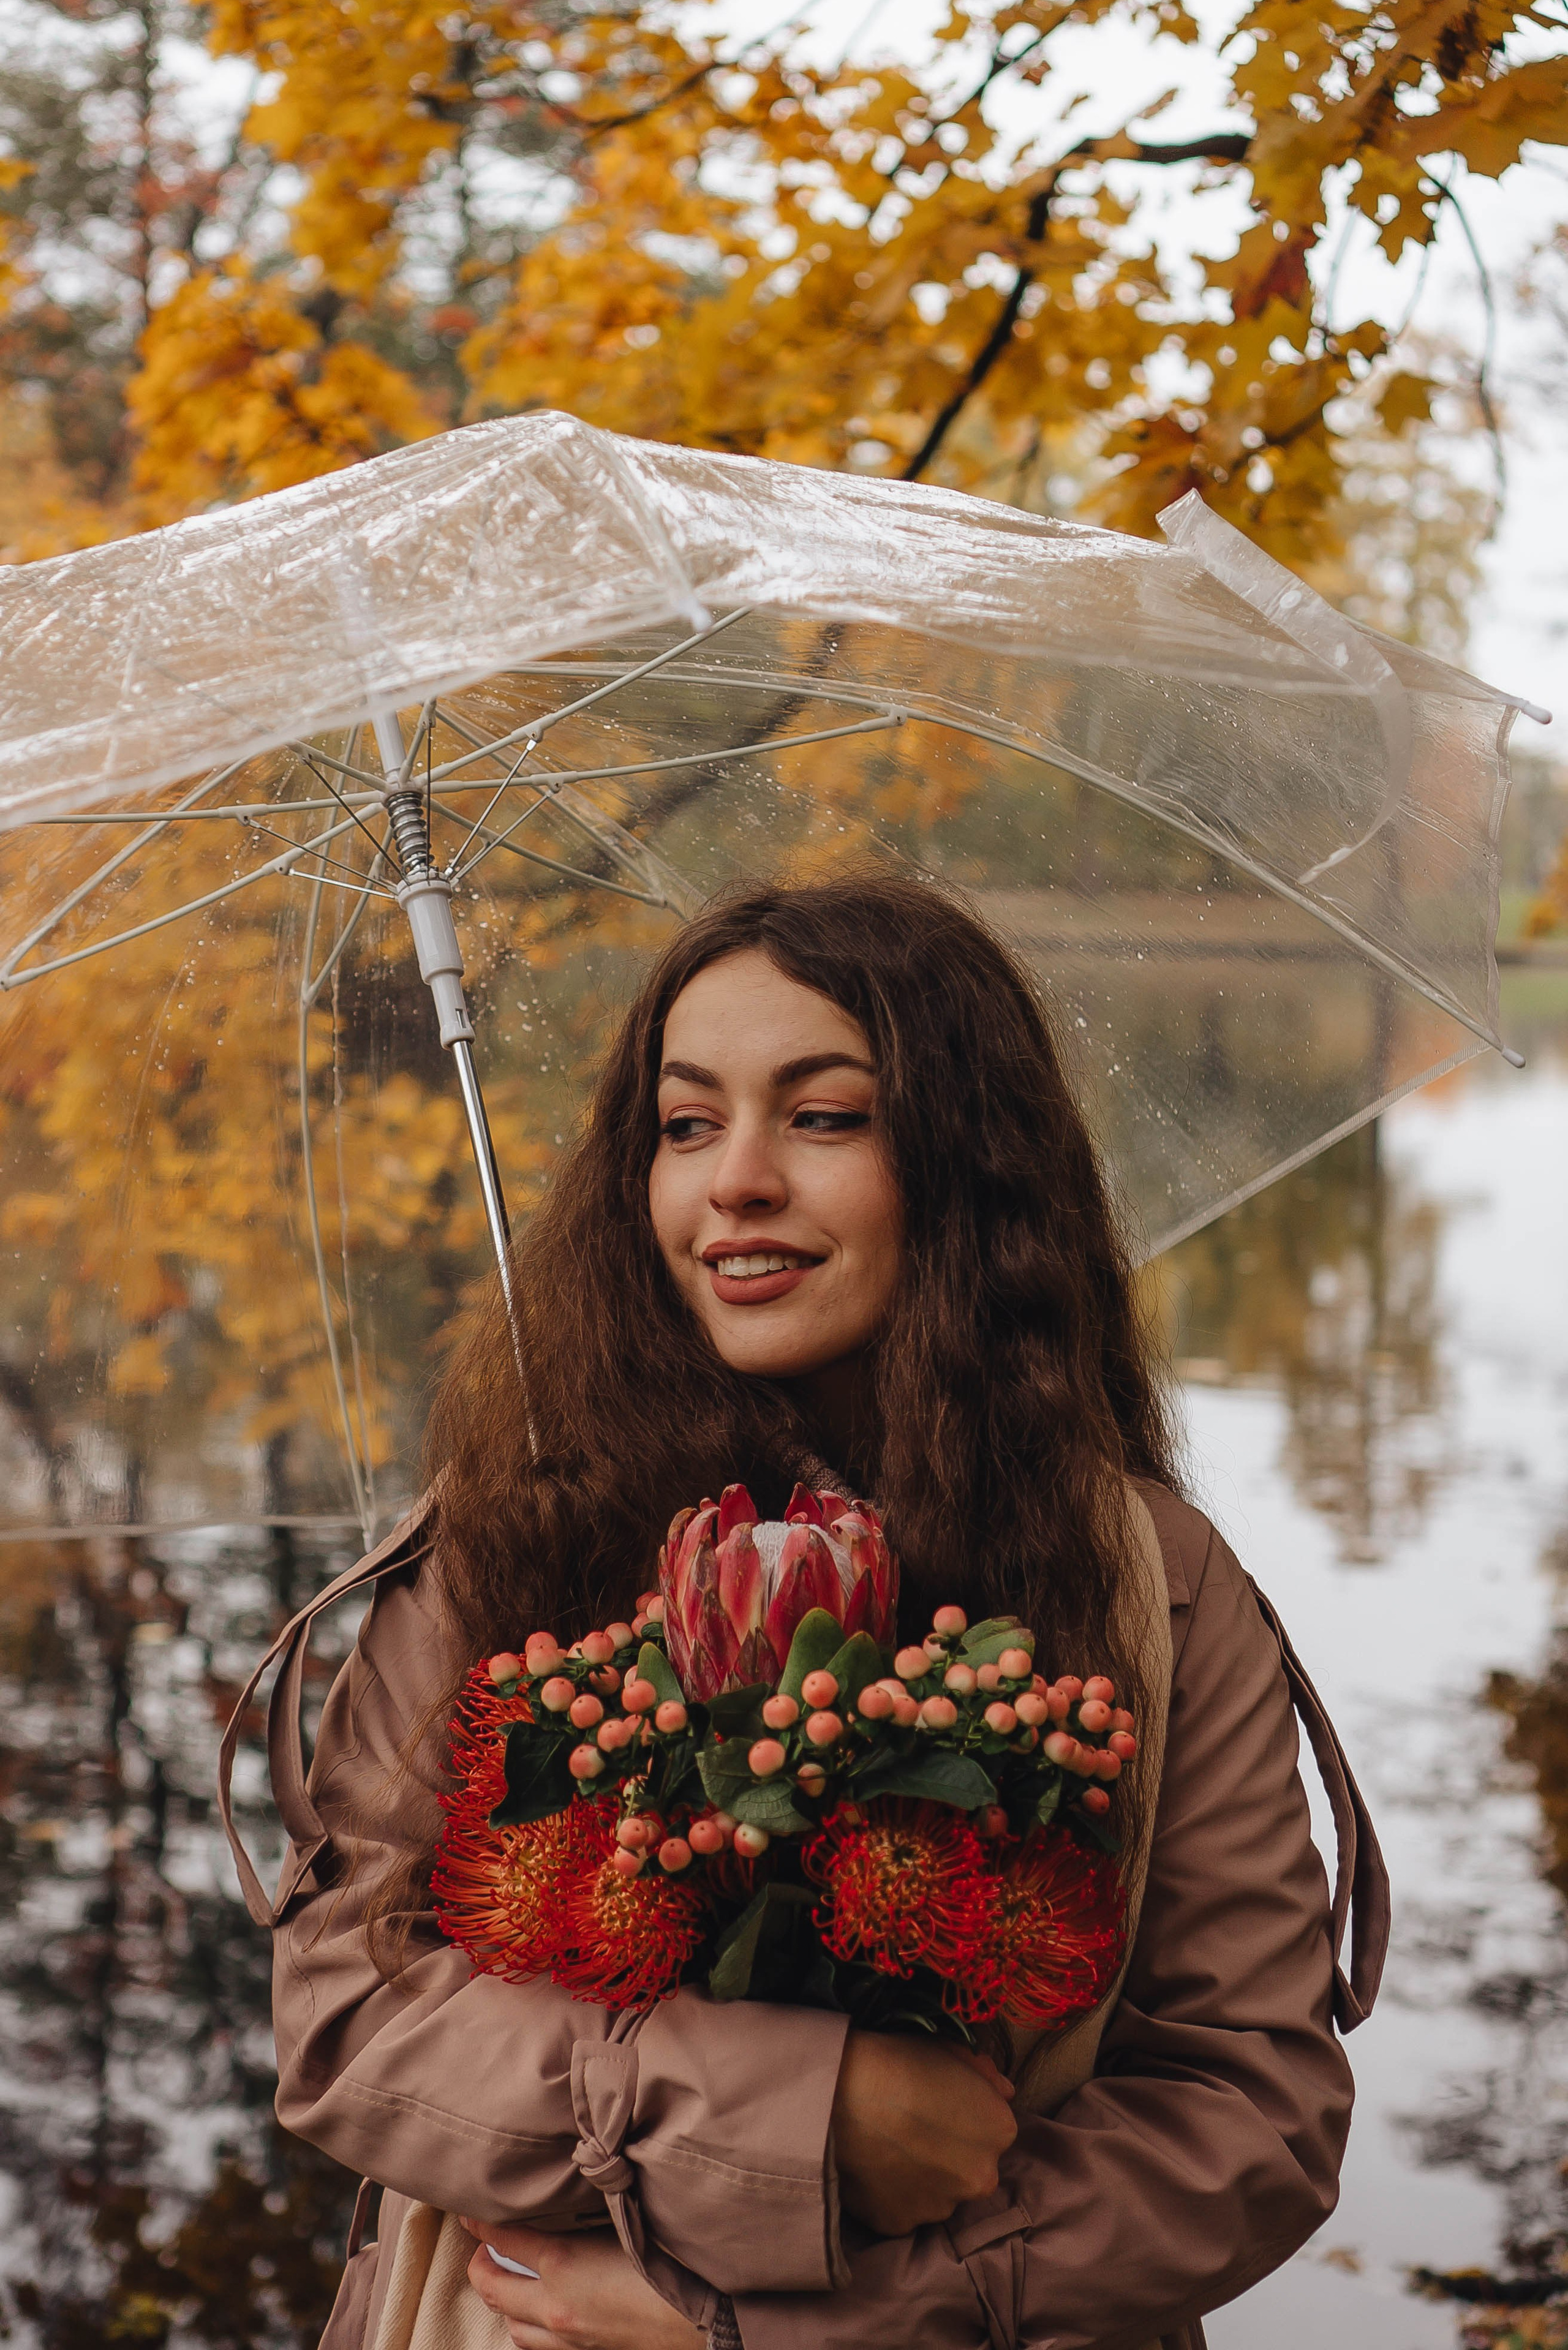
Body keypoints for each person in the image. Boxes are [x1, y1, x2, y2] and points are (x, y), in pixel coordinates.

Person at [221, 872, 1386, 2350]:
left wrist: (785, 2321)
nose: (736, 1183)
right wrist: (798, 2115)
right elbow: (346, 2022)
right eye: (686, 1124)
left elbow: (1247, 2120)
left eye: (823, 1117)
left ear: (964, 1168)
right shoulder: (509, 1532)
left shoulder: (1143, 1578)